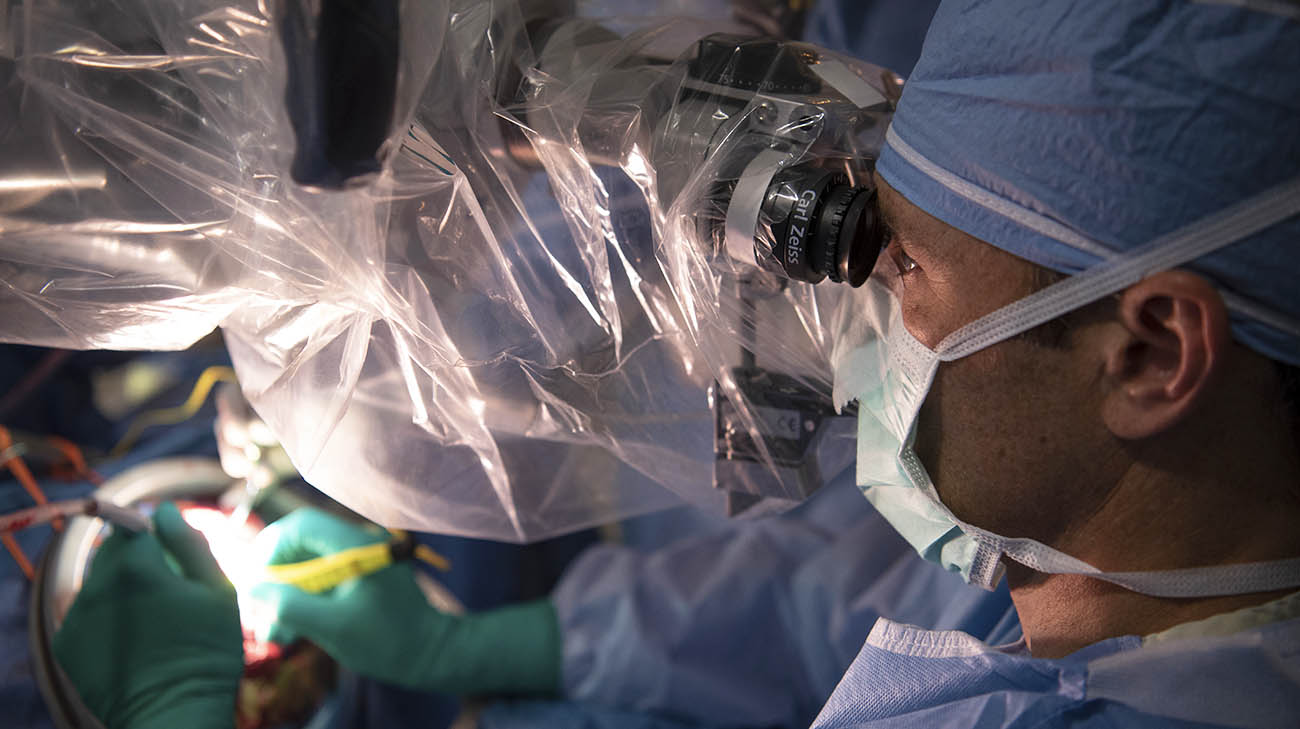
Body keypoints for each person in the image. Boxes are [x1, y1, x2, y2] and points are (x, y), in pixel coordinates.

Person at [52, 0, 1300, 727]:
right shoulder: (1092, 588)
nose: (855, 304)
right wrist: (496, 650)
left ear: (1148, 355)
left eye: (908, 266)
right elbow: (824, 606)